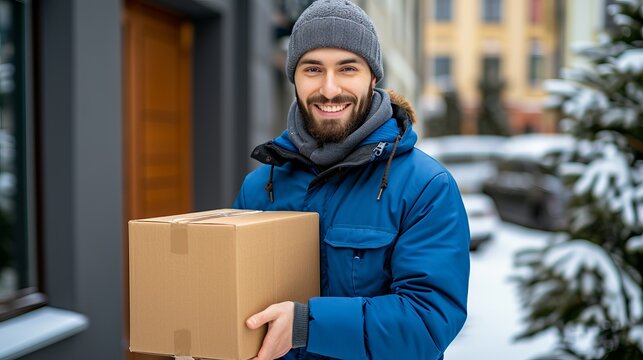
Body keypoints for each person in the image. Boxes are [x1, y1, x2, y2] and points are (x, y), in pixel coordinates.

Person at [233, 1, 470, 359]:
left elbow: (428, 323)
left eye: (347, 68)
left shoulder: (425, 187)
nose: (329, 89)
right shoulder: (259, 186)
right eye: (313, 69)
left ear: (373, 78)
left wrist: (306, 325)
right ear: (293, 78)